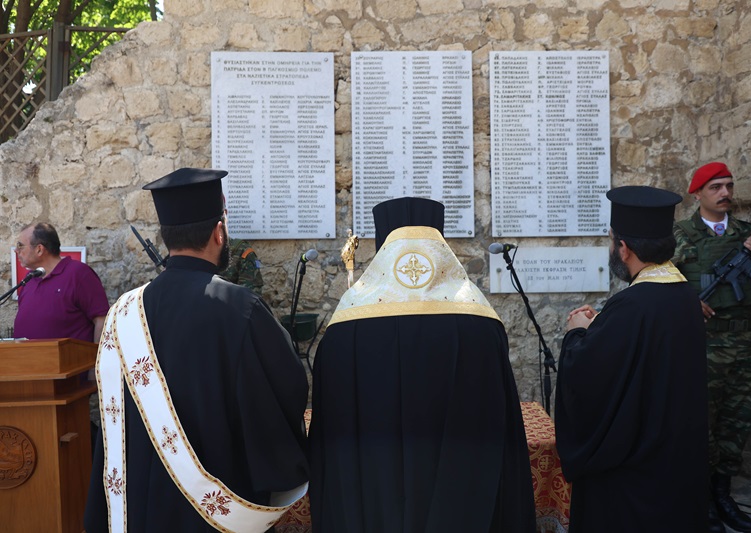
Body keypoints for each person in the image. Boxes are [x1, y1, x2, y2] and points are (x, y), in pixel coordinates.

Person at [84, 168, 309, 532]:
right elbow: (286, 389)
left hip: (139, 511)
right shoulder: (240, 308)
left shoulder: (121, 313)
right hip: (213, 514)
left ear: (166, 237)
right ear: (219, 232)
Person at [309, 197, 535, 533]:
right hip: (463, 507)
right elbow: (502, 436)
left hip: (373, 507)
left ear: (383, 240)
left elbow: (332, 434)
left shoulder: (345, 328)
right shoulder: (482, 324)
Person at [555, 186, 708, 532]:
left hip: (634, 482)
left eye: (612, 241)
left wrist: (577, 333)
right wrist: (602, 328)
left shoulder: (633, 304)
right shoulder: (684, 295)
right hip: (677, 467)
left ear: (623, 249)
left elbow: (590, 377)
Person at [673, 162, 751, 533]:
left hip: (745, 344)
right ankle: (702, 501)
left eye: (729, 185)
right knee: (703, 425)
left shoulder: (750, 235)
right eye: (715, 187)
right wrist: (686, 301)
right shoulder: (680, 235)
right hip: (704, 345)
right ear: (697, 193)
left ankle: (723, 494)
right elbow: (658, 282)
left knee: (737, 422)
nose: (725, 192)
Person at [13, 222, 109, 343]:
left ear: (39, 249)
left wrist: (98, 359)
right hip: (25, 359)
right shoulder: (29, 278)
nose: (16, 250)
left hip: (69, 361)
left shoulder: (79, 274)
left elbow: (102, 319)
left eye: (20, 246)